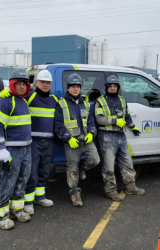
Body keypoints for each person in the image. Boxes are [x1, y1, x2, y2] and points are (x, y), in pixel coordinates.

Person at [0, 70, 58, 215]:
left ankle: (40, 197)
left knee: (44, 172)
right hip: (33, 142)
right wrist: (6, 95)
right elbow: (16, 101)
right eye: (42, 82)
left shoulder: (55, 100)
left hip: (49, 142)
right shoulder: (29, 97)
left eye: (48, 83)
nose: (45, 85)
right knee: (31, 173)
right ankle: (28, 201)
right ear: (36, 83)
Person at [0, 69, 32, 230]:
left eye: (24, 84)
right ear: (12, 84)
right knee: (7, 183)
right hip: (12, 151)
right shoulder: (5, 102)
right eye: (18, 84)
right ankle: (1, 215)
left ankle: (17, 209)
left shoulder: (23, 100)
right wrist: (2, 148)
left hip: (26, 148)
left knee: (22, 180)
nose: (22, 87)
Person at [95, 75, 145, 201]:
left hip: (121, 136)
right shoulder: (100, 101)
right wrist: (115, 121)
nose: (112, 88)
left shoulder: (122, 100)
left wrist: (133, 127)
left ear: (118, 87)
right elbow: (99, 118)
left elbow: (127, 116)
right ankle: (110, 191)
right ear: (106, 87)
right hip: (107, 137)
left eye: (115, 86)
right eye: (110, 86)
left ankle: (130, 187)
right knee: (109, 167)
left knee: (127, 163)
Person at [54, 73, 100, 207]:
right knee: (72, 168)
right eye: (73, 86)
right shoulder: (61, 103)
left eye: (78, 86)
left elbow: (91, 122)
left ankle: (82, 169)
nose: (75, 89)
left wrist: (92, 133)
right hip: (71, 142)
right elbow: (58, 125)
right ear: (68, 88)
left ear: (80, 88)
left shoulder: (85, 103)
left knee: (95, 160)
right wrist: (68, 138)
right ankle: (74, 193)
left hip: (86, 140)